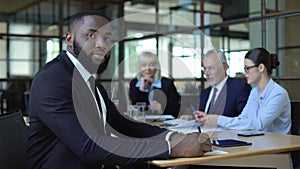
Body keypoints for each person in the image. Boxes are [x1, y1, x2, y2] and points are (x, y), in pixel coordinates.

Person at [26, 10, 212, 169]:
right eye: (90, 35)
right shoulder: (52, 80)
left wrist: (174, 136)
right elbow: (89, 147)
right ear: (69, 39)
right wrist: (172, 148)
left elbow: (125, 125)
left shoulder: (89, 80)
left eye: (107, 38)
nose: (101, 44)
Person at [195, 47, 291, 134]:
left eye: (247, 68)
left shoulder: (278, 94)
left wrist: (218, 120)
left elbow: (259, 124)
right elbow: (242, 119)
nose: (244, 73)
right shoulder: (254, 92)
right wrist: (211, 119)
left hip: (276, 150)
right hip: (258, 145)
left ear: (261, 68)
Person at [180, 49, 251, 120]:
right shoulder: (205, 93)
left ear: (225, 67)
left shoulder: (239, 88)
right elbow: (202, 117)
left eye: (211, 68)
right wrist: (191, 119)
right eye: (204, 68)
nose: (206, 73)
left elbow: (244, 121)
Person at [129, 51, 181, 118]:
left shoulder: (167, 83)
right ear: (139, 68)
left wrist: (161, 110)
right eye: (144, 65)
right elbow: (136, 108)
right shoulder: (134, 83)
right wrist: (141, 89)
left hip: (162, 124)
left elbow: (176, 109)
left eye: (151, 65)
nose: (147, 68)